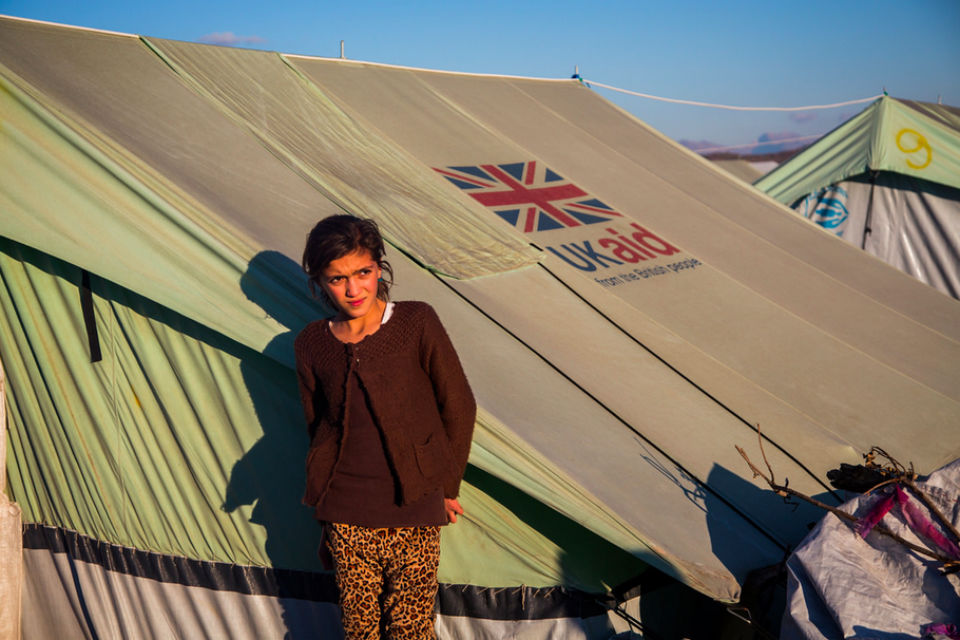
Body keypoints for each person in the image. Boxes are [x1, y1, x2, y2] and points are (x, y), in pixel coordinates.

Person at [294, 214, 476, 639]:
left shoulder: (416, 322)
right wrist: (323, 504)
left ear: (379, 267)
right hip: (345, 515)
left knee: (411, 630)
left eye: (363, 273)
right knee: (360, 630)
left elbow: (459, 405)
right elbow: (316, 424)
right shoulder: (311, 343)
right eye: (337, 279)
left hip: (413, 509)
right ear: (320, 280)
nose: (353, 289)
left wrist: (447, 487)